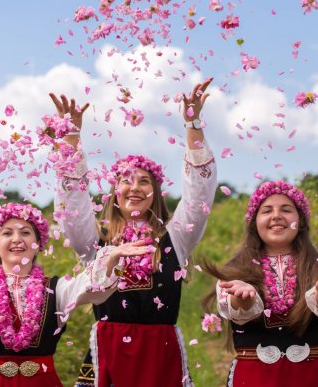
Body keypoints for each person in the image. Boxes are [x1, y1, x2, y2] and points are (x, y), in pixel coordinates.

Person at [50, 78, 217, 387]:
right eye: (126, 180)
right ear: (115, 192)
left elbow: (198, 196)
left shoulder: (175, 238)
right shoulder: (94, 241)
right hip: (109, 354)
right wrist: (71, 139)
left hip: (160, 354)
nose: (135, 187)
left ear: (155, 192)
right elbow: (71, 204)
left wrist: (192, 123)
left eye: (144, 181)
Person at [0, 202, 150, 387]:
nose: (17, 239)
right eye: (7, 233)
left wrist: (109, 259)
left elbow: (87, 285)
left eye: (26, 233)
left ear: (38, 244)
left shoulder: (57, 290)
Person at [203, 180, 318, 387]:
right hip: (256, 379)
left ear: (300, 221)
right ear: (254, 221)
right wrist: (243, 300)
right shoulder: (234, 271)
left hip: (316, 377)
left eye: (286, 209)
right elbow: (234, 308)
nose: (276, 216)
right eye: (266, 211)